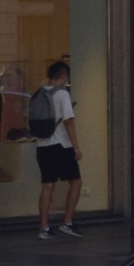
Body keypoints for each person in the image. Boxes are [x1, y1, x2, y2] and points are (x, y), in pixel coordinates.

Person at [33, 59, 80, 240]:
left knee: (47, 187)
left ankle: (44, 227)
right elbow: (69, 121)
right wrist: (76, 147)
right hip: (61, 144)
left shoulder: (40, 93)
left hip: (42, 145)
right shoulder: (62, 94)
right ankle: (67, 222)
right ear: (63, 76)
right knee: (76, 182)